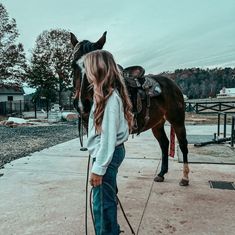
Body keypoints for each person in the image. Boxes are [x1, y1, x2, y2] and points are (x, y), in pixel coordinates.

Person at [83, 50, 133, 235]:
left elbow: (108, 138)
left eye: (88, 68)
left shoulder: (110, 99)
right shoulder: (102, 96)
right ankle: (113, 230)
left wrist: (98, 168)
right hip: (107, 154)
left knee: (102, 205)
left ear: (97, 69)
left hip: (108, 155)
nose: (86, 73)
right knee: (106, 200)